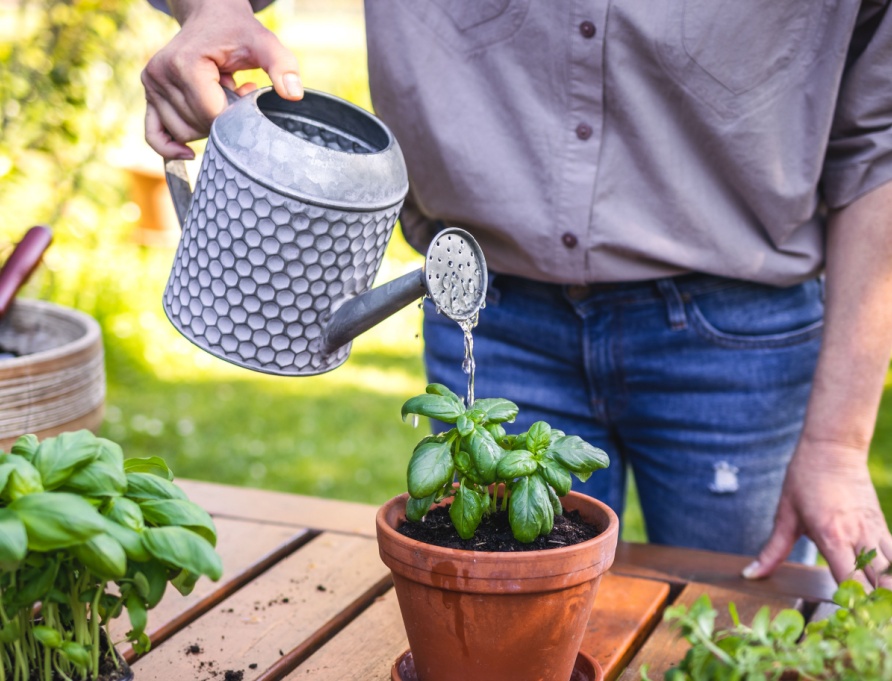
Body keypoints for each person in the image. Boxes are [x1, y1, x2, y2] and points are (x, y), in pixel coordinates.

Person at [142, 0, 892, 587]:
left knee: (726, 627)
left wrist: (835, 443)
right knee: (502, 628)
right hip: (489, 308)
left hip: (738, 337)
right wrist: (210, 10)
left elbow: (881, 142)